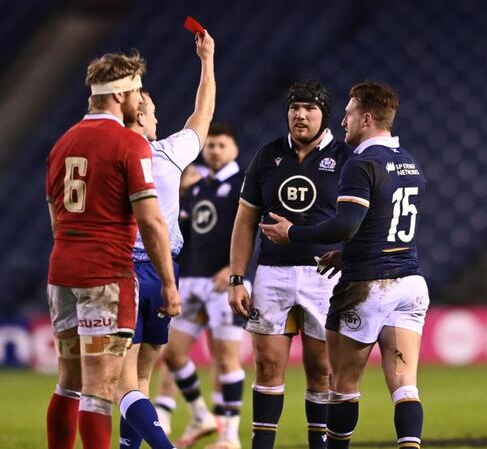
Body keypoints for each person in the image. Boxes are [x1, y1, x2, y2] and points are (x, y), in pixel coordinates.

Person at [259, 80, 429, 449]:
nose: (343, 122)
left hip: (368, 285)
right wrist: (347, 252)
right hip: (411, 283)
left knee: (343, 386)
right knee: (405, 385)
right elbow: (383, 228)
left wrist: (293, 234)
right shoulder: (410, 164)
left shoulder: (361, 163)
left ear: (367, 119)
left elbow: (345, 225)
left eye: (349, 114)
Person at [45, 51, 180, 449]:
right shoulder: (128, 145)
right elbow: (153, 222)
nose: (141, 100)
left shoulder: (62, 143)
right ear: (121, 95)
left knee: (68, 383)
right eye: (137, 91)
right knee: (100, 389)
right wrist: (169, 284)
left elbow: (56, 217)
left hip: (62, 272)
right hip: (106, 275)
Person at [227, 80, 352, 449]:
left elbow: (358, 220)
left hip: (324, 276)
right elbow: (245, 220)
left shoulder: (346, 158)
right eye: (295, 107)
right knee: (266, 367)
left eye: (309, 108)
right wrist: (237, 277)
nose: (300, 114)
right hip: (272, 273)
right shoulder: (267, 156)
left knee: (322, 371)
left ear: (324, 115)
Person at [115, 29, 216, 449]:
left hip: (123, 267)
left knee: (123, 384)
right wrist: (207, 61)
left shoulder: (111, 152)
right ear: (140, 115)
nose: (157, 118)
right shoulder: (169, 152)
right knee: (141, 377)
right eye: (152, 111)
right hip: (163, 270)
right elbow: (203, 115)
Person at [155, 122, 247, 449]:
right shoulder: (195, 187)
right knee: (174, 354)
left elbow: (255, 231)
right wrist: (180, 194)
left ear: (234, 149)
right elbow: (182, 235)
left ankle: (229, 436)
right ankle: (199, 413)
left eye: (222, 145)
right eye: (210, 146)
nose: (215, 150)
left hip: (223, 281)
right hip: (191, 279)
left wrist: (236, 270)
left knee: (225, 360)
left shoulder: (243, 185)